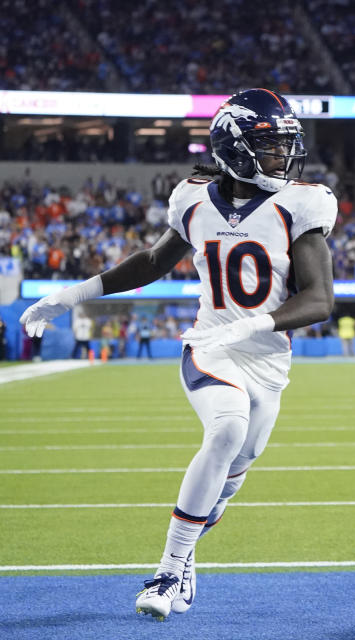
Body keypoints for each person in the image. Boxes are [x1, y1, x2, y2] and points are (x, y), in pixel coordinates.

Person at [19, 88, 337, 620]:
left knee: (233, 472)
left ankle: (187, 555)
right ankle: (168, 570)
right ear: (234, 148)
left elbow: (320, 299)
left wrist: (253, 326)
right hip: (209, 348)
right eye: (272, 146)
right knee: (227, 429)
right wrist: (67, 294)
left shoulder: (302, 204)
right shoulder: (193, 199)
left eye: (287, 146)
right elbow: (151, 261)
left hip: (266, 359)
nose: (285, 157)